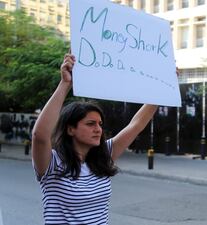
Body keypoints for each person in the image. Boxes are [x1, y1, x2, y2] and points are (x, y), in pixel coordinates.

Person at [31, 53, 158, 224]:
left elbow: (135, 125)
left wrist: (161, 90)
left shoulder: (103, 155)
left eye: (100, 123)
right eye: (90, 124)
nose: (98, 129)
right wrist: (65, 84)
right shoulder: (52, 163)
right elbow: (40, 136)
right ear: (70, 129)